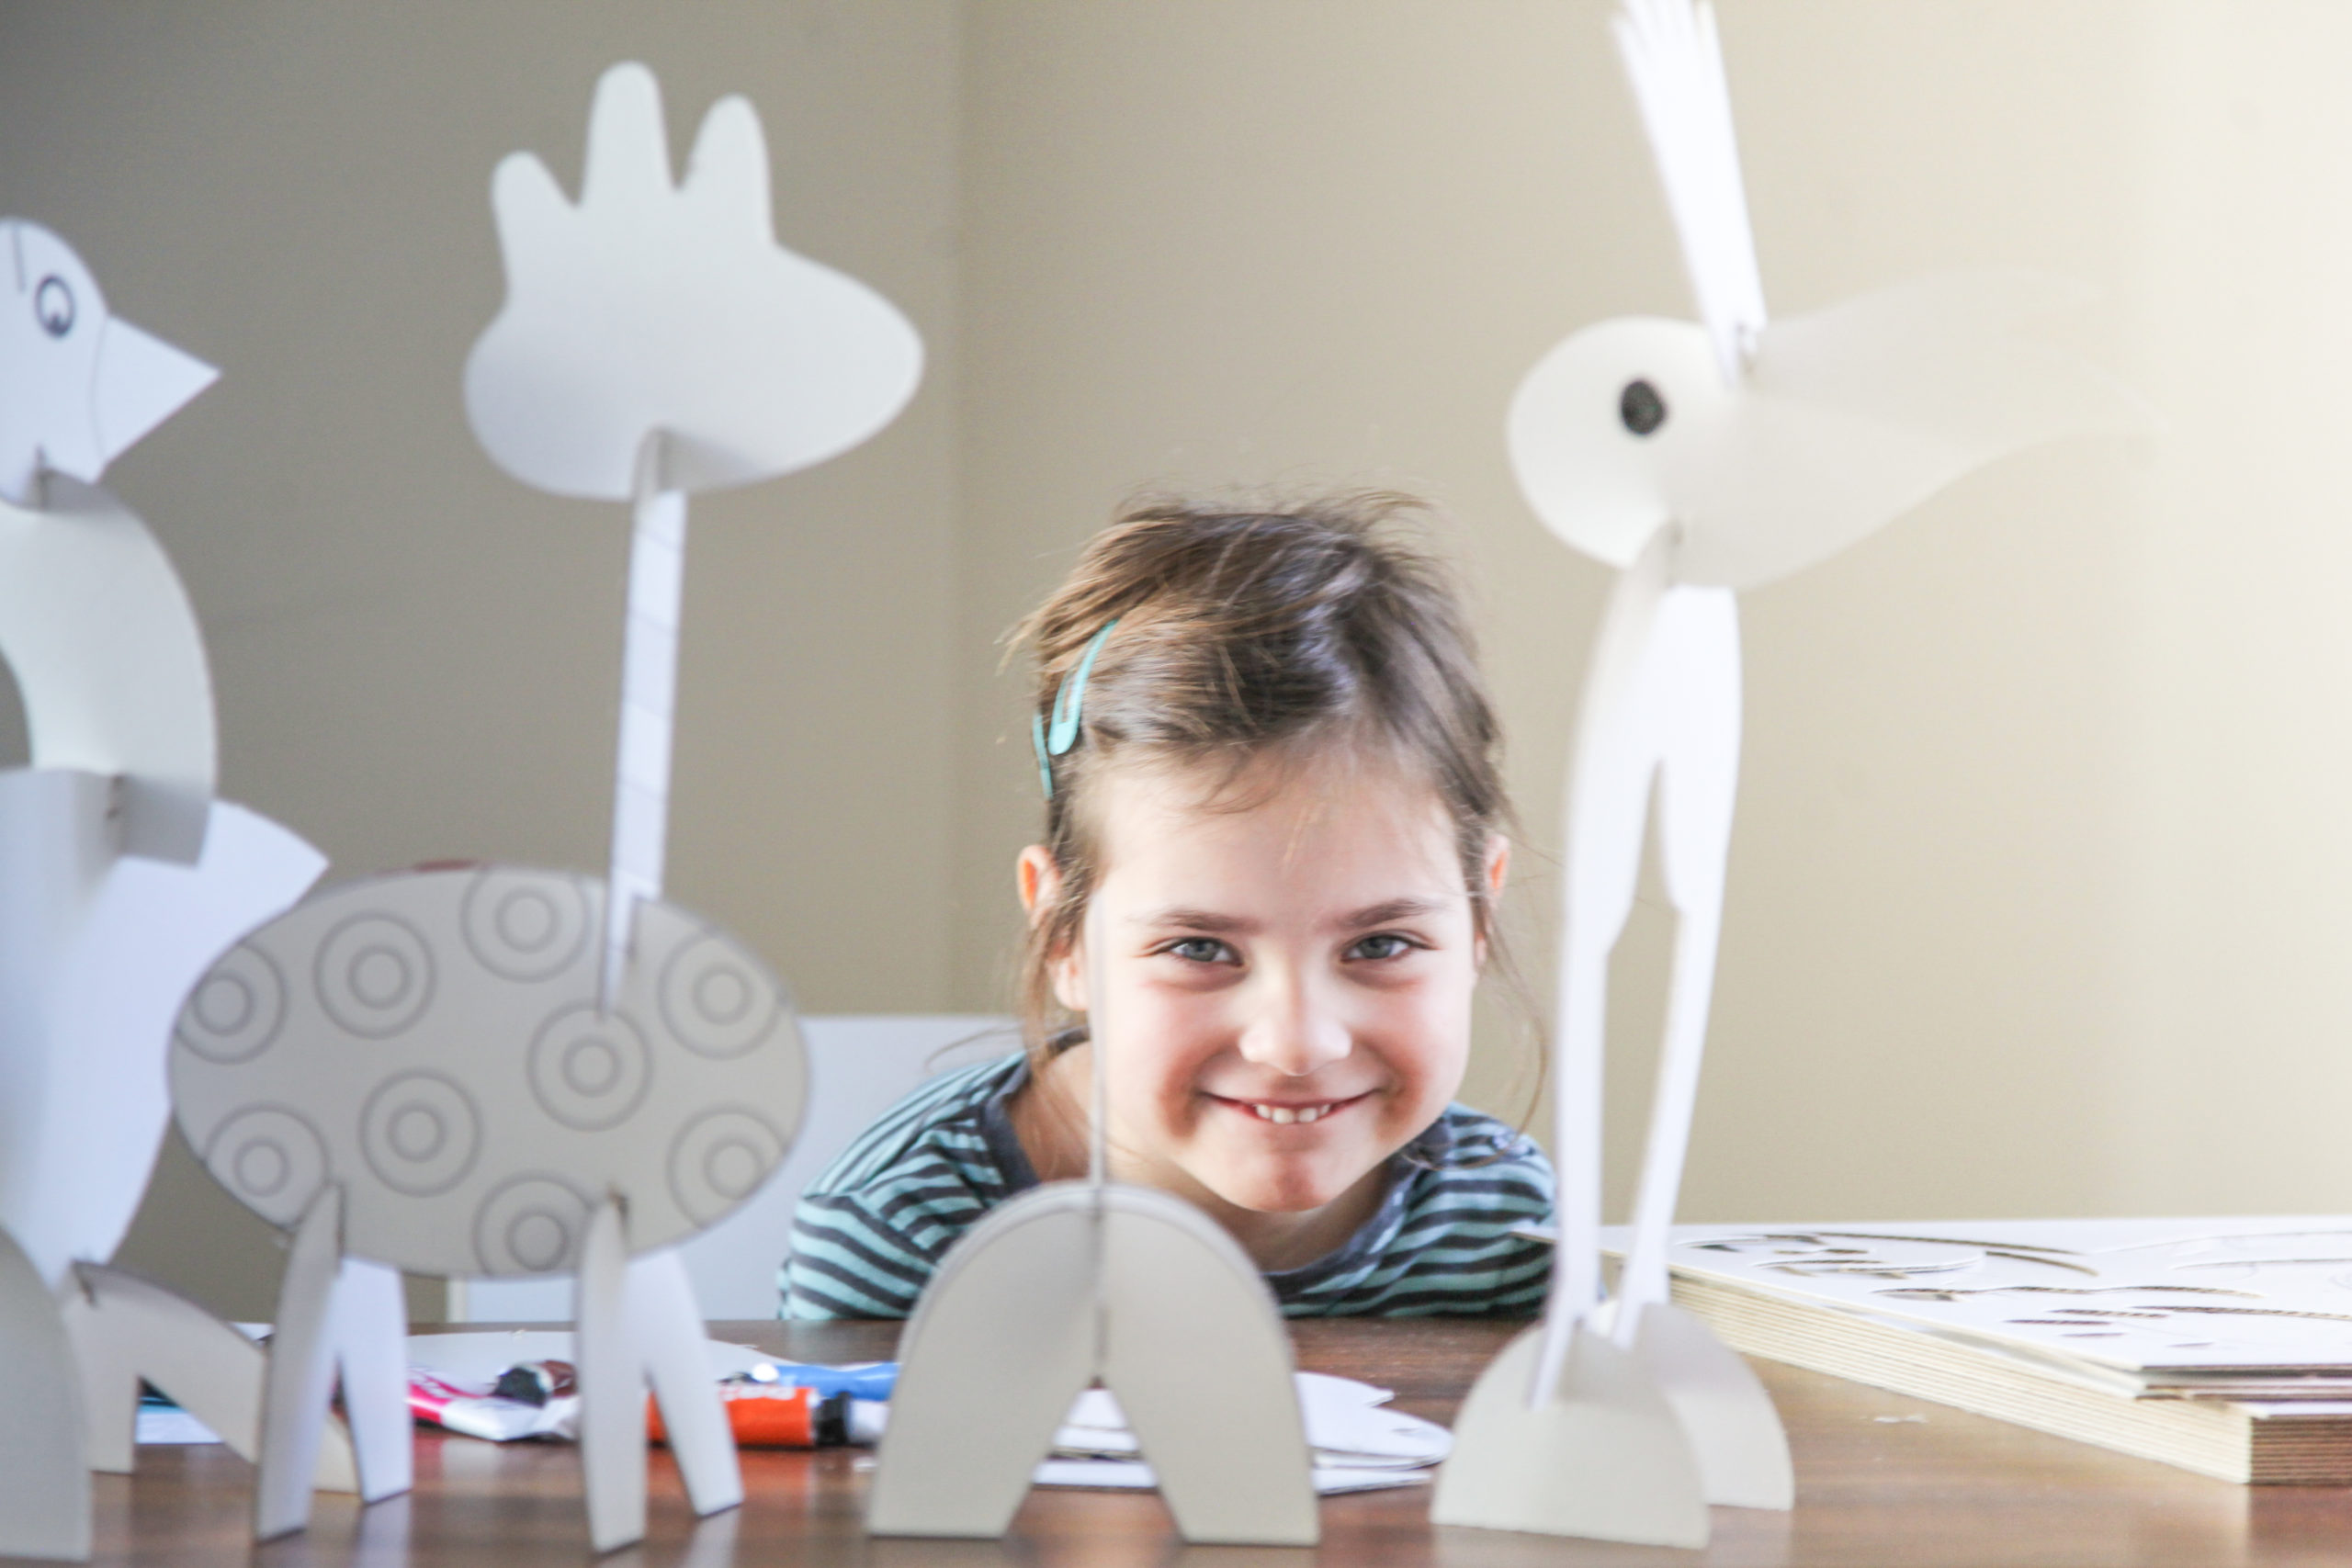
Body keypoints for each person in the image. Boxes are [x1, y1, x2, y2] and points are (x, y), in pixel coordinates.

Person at [780, 493, 1552, 1317]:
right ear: (1064, 937)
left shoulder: (1503, 1229)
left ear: (1479, 918)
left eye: (1381, 944)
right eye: (1199, 948)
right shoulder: (907, 1233)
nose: (1296, 1044)